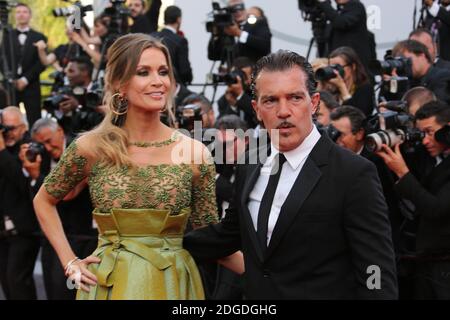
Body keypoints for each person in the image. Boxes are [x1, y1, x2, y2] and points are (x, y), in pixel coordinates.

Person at [32, 33, 241, 300]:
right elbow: (44, 200)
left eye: (163, 71)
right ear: (120, 83)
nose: (158, 81)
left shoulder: (194, 152)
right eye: (144, 72)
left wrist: (276, 276)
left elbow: (211, 240)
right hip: (109, 281)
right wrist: (70, 261)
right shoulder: (92, 147)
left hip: (172, 284)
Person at [184, 50, 398, 299]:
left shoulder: (353, 173)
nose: (283, 111)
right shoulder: (250, 165)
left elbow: (375, 271)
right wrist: (156, 241)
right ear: (256, 109)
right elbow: (227, 235)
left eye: (295, 98)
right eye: (271, 100)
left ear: (314, 102)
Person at [375, 100, 450, 299]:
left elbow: (437, 209)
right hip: (424, 262)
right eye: (421, 133)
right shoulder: (426, 156)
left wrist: (403, 173)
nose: (425, 141)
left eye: (431, 132)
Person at [21, 118, 97, 300]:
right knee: (54, 290)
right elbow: (40, 198)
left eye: (48, 141)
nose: (46, 147)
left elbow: (66, 193)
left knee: (76, 291)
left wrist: (37, 177)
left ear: (60, 131)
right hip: (54, 237)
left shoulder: (80, 149)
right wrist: (33, 174)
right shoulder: (42, 156)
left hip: (83, 237)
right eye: (42, 144)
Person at [0, 107, 40, 299]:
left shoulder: (29, 147)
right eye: (3, 129)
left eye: (11, 128)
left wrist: (1, 152)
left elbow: (24, 183)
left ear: (24, 127)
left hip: (25, 230)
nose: (6, 134)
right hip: (3, 229)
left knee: (17, 280)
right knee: (7, 282)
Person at [1, 3, 47, 128]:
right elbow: (2, 58)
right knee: (7, 120)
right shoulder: (6, 36)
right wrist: (10, 79)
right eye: (18, 12)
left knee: (35, 121)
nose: (21, 14)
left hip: (31, 85)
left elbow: (42, 64)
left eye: (24, 12)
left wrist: (25, 79)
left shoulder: (39, 37)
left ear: (30, 15)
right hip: (9, 87)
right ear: (14, 15)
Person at [209, 0, 271, 64]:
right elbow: (213, 56)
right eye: (233, 10)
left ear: (245, 9)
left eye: (240, 8)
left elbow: (264, 46)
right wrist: (216, 34)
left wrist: (239, 33)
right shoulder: (226, 29)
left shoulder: (258, 23)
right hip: (232, 71)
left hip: (255, 70)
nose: (237, 12)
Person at [316, 0, 374, 68]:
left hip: (353, 67)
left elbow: (341, 23)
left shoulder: (355, 5)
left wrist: (324, 3)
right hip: (336, 64)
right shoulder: (337, 14)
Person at [392, 39, 450, 104]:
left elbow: (436, 108)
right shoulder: (409, 81)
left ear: (422, 56)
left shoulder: (441, 77)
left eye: (406, 60)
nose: (404, 65)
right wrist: (390, 84)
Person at [325, 46, 375, 116]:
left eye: (338, 67)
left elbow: (355, 115)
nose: (335, 71)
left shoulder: (365, 89)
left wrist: (342, 86)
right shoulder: (332, 91)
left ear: (353, 66)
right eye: (331, 67)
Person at [152, 5, 193, 85]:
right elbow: (184, 71)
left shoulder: (151, 36)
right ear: (178, 19)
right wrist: (189, 78)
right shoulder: (180, 40)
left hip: (153, 82)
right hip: (173, 86)